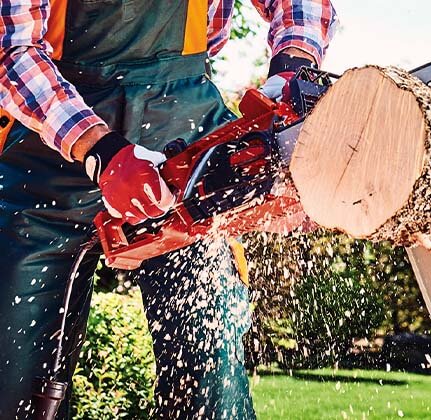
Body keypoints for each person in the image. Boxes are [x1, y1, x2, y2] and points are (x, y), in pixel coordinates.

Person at [0, 0, 336, 418]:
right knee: (13, 378)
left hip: (186, 139)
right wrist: (100, 150)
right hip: (51, 146)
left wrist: (293, 67)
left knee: (209, 369)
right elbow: (12, 52)